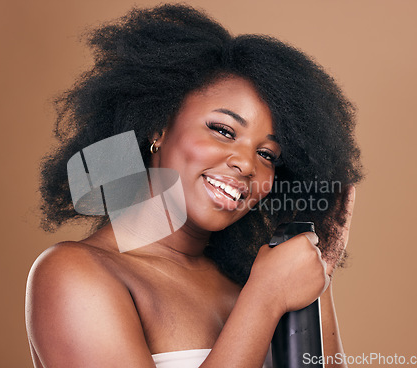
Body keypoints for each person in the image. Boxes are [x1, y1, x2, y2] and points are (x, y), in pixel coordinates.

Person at [26, 4, 363, 368]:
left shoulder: (255, 279)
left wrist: (317, 276)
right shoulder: (74, 273)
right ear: (157, 125)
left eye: (268, 154)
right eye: (222, 130)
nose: (246, 164)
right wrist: (264, 298)